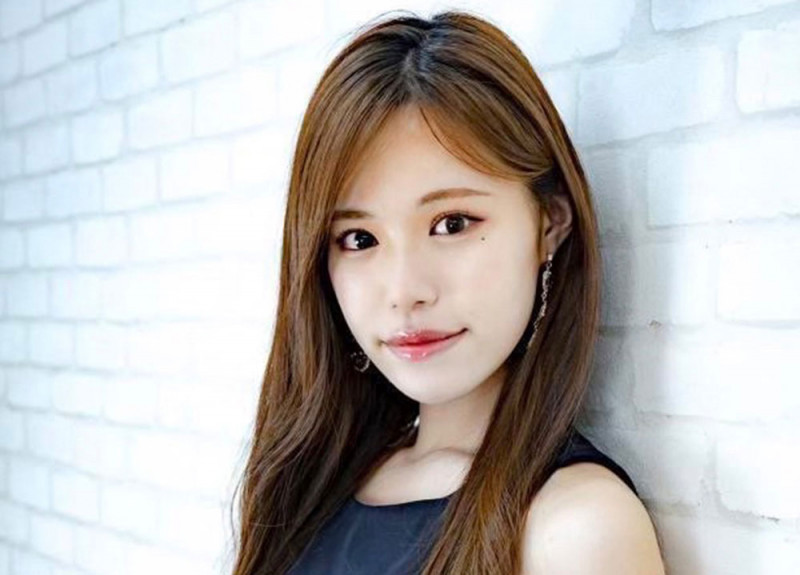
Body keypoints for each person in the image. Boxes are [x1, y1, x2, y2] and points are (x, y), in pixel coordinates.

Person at [228, 9, 666, 575]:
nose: (404, 291)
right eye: (359, 239)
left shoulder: (576, 529)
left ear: (550, 223)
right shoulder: (313, 485)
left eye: (452, 224)